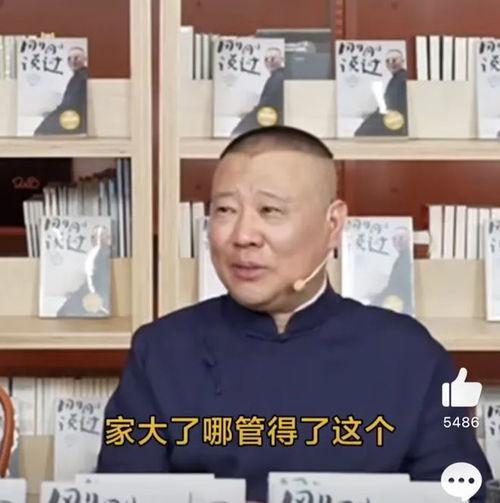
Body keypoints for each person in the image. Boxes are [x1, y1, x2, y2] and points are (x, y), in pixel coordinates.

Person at [97, 126, 491, 502]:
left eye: (270, 210)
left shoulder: (412, 354)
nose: (243, 236)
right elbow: (122, 491)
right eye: (225, 210)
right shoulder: (160, 350)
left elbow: (464, 490)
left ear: (332, 224)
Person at [35, 46, 88, 135]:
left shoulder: (82, 77)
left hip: (75, 120)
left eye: (76, 58)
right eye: (69, 59)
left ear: (85, 59)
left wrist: (54, 115)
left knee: (40, 132)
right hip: (72, 117)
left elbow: (71, 105)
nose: (72, 61)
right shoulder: (78, 77)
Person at [231, 47, 285, 136]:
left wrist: (243, 125)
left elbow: (266, 105)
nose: (269, 61)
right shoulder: (278, 76)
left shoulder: (278, 78)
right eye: (266, 59)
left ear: (281, 59)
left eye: (272, 58)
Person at [354, 49, 408, 136]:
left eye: (394, 60)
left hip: (394, 121)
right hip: (391, 117)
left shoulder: (402, 79)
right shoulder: (396, 79)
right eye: (388, 61)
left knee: (361, 133)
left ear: (402, 61)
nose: (391, 63)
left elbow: (394, 106)